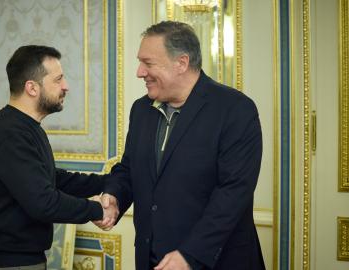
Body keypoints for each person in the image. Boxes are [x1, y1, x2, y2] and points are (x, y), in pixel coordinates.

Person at [98, 21, 265, 270]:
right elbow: (129, 169)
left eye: (148, 63)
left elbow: (232, 193)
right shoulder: (141, 110)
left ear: (182, 63)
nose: (139, 72)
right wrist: (114, 196)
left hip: (215, 260)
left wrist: (191, 254)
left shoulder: (235, 109)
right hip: (152, 259)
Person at [0, 45, 118, 270]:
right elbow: (43, 203)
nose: (66, 86)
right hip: (8, 264)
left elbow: (52, 179)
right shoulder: (10, 133)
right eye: (58, 79)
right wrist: (96, 210)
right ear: (32, 88)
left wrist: (107, 182)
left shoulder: (25, 127)